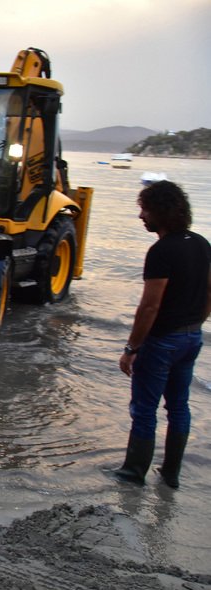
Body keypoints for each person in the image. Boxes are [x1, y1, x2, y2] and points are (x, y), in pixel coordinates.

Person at [115, 180, 211, 488]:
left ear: (161, 211)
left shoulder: (161, 251)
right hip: (191, 337)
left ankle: (133, 473)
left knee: (144, 409)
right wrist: (197, 321)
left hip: (162, 342)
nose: (141, 216)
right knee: (179, 406)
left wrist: (131, 348)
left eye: (145, 209)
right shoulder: (200, 243)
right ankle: (171, 474)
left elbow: (149, 307)